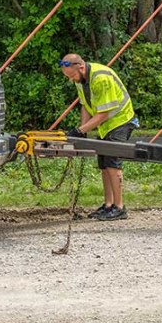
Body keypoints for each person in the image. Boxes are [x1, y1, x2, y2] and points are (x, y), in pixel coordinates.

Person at [60, 53, 137, 221]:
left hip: (120, 121)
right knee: (104, 163)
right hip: (106, 125)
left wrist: (79, 131)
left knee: (113, 163)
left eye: (72, 76)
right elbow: (85, 106)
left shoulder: (100, 78)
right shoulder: (81, 80)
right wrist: (83, 130)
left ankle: (119, 207)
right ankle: (108, 205)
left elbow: (103, 114)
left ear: (80, 67)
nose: (71, 80)